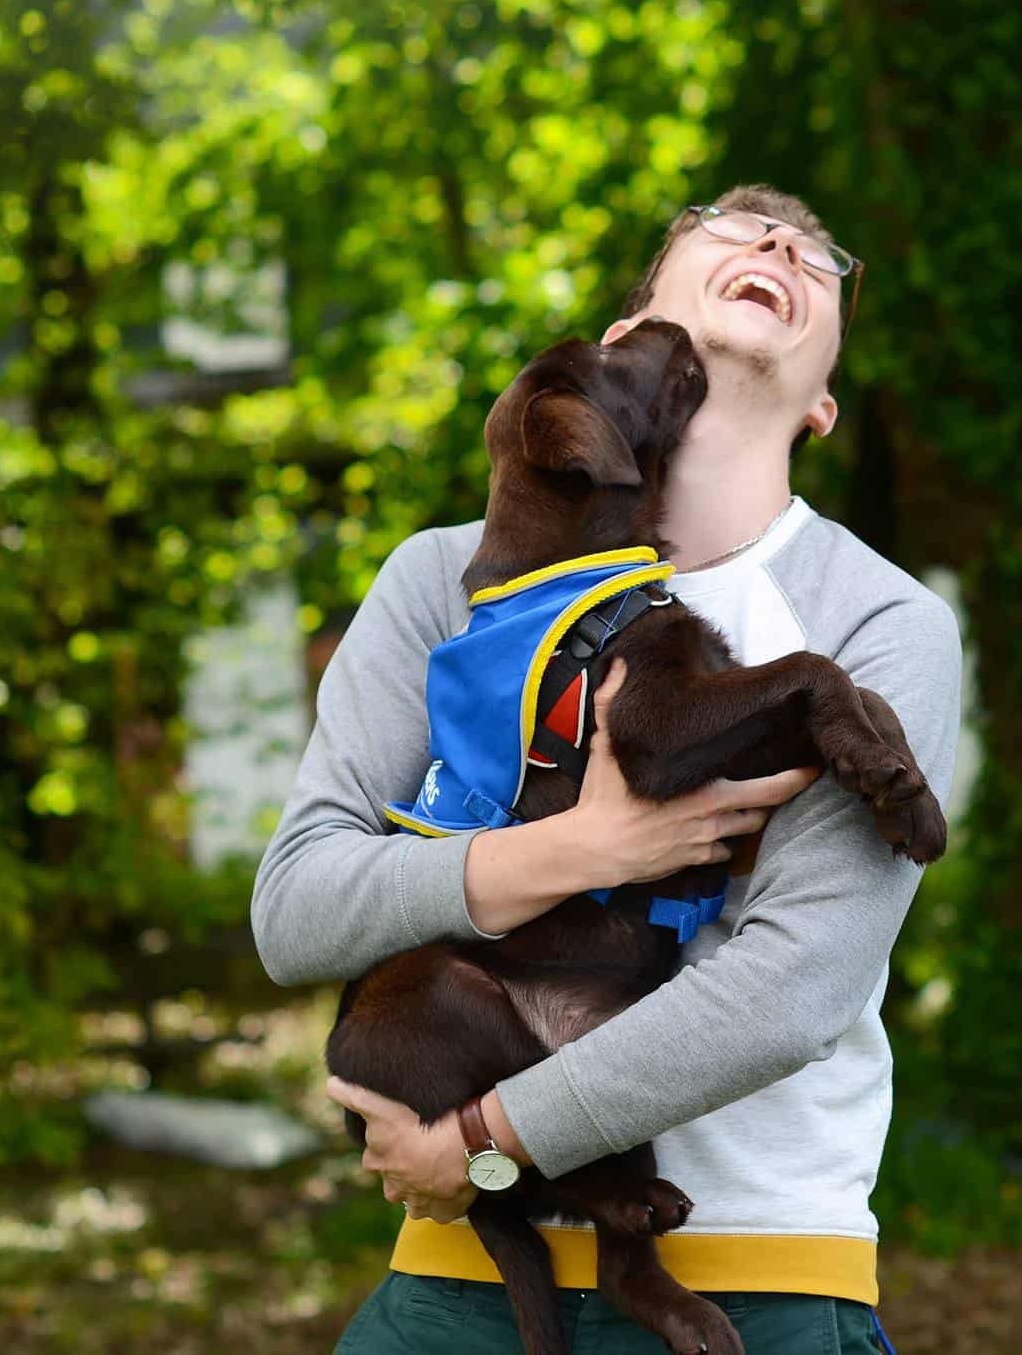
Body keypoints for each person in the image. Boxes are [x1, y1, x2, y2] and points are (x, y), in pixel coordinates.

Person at [250, 183, 961, 1353]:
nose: (781, 242)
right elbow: (296, 912)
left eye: (819, 255)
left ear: (823, 402)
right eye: (729, 228)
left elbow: (795, 989)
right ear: (633, 337)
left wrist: (487, 1135)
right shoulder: (445, 581)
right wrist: (578, 849)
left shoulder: (877, 618)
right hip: (453, 1295)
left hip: (759, 1283)